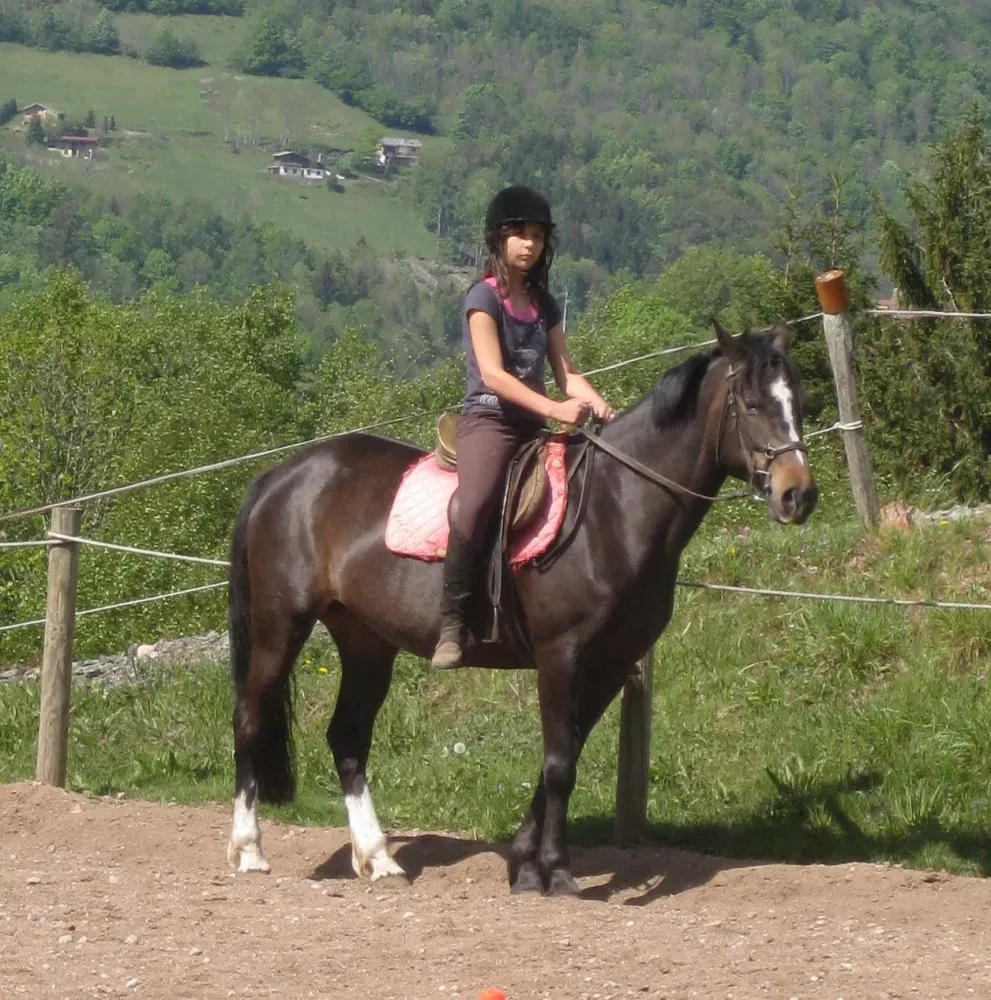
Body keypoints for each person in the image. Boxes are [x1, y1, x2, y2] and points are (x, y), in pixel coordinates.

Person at [431, 184, 614, 670]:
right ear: (498, 238)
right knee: (474, 503)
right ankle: (452, 622)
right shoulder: (482, 298)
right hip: (489, 420)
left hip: (533, 424)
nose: (529, 244)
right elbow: (493, 374)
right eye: (519, 234)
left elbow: (566, 372)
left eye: (537, 235)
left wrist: (597, 402)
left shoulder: (544, 304)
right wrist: (554, 409)